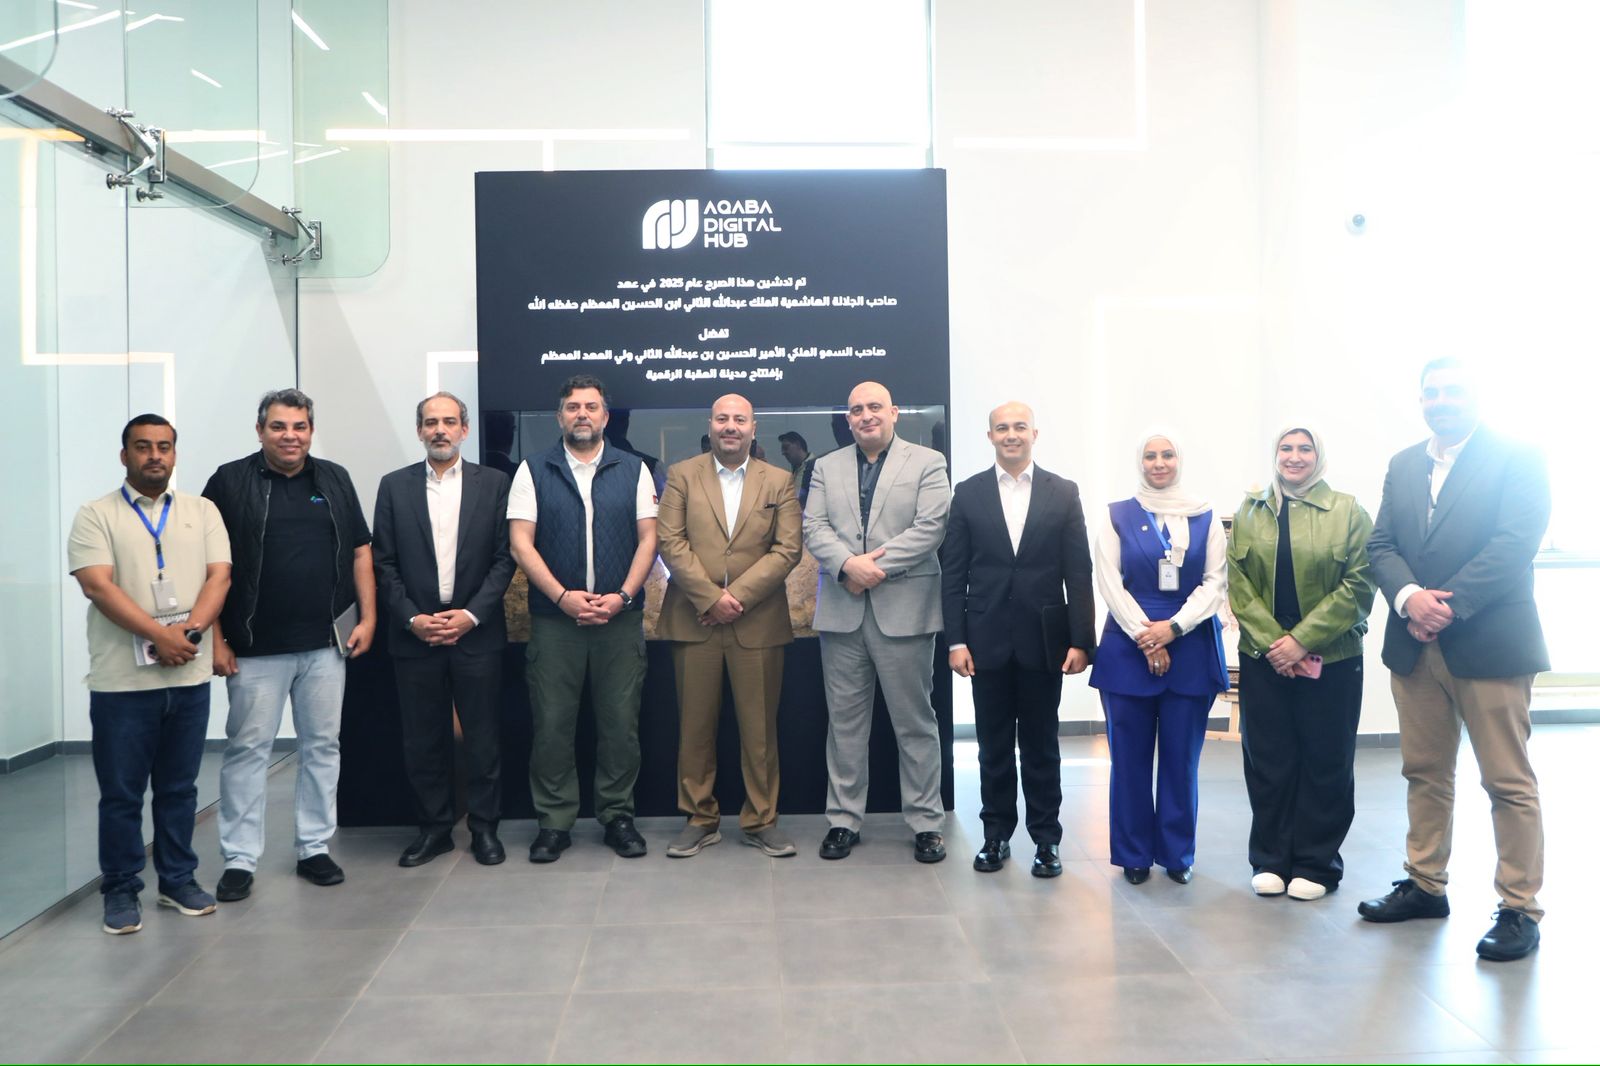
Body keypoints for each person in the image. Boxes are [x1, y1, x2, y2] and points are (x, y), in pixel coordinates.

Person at [1357, 359, 1550, 962]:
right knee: (1424, 771)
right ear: (1421, 400)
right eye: (1431, 392)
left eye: (1453, 391)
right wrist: (1410, 598)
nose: (1441, 401)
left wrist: (1447, 605)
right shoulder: (1403, 464)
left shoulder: (1518, 457)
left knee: (1507, 781)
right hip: (1414, 646)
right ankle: (1425, 883)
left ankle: (1519, 907)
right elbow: (1381, 544)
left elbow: (1515, 542)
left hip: (1490, 644)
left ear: (1476, 396)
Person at [204, 389, 376, 902]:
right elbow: (207, 566)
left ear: (311, 431)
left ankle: (314, 848)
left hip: (325, 645)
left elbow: (361, 552)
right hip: (254, 648)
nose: (290, 436)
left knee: (322, 747)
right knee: (247, 751)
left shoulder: (334, 478)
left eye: (299, 427)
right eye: (279, 427)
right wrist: (215, 639)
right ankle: (239, 858)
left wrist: (368, 617)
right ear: (260, 431)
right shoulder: (229, 481)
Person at [68, 415, 232, 934]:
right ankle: (120, 889)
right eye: (143, 447)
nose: (154, 455)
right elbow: (97, 586)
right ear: (125, 456)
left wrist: (190, 632)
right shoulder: (96, 515)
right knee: (121, 795)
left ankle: (177, 880)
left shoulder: (202, 511)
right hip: (123, 684)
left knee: (179, 790)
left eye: (163, 446)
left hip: (188, 678)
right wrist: (160, 635)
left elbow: (219, 576)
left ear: (174, 454)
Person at [507, 374, 659, 862]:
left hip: (619, 621)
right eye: (573, 407)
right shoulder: (533, 469)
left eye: (591, 407)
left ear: (605, 417)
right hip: (556, 624)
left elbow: (649, 539)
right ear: (560, 417)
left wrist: (623, 596)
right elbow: (520, 543)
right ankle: (554, 823)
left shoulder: (634, 469)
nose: (582, 415)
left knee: (620, 726)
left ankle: (618, 816)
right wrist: (561, 597)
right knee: (552, 725)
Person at [942, 402, 1095, 877]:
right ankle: (995, 836)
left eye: (1020, 427)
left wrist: (1081, 641)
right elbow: (953, 573)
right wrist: (955, 640)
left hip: (1044, 642)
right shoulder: (968, 493)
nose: (1011, 434)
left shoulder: (1063, 492)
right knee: (991, 747)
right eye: (1002, 428)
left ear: (1035, 434)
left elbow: (1079, 572)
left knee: (1042, 746)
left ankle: (1047, 840)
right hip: (984, 641)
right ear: (989, 436)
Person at [803, 381, 951, 862]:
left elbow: (930, 528)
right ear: (847, 419)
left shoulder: (927, 462)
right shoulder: (825, 466)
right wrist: (848, 565)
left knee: (915, 724)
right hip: (842, 612)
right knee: (844, 725)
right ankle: (843, 821)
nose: (865, 415)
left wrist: (871, 569)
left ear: (894, 413)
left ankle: (926, 823)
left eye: (874, 407)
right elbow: (813, 527)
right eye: (855, 410)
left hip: (905, 611)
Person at [1228, 427, 1376, 902]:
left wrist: (1301, 641)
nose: (1294, 457)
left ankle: (1316, 863)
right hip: (1264, 657)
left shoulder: (1349, 512)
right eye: (1286, 448)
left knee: (1326, 760)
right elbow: (1238, 584)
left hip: (1332, 658)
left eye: (1304, 448)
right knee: (1268, 760)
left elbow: (1359, 586)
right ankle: (1270, 860)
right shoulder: (1250, 510)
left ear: (1319, 455)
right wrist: (1277, 644)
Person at [372, 392, 516, 868]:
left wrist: (471, 615)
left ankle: (485, 829)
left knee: (482, 737)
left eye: (449, 421)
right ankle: (434, 830)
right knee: (423, 740)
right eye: (431, 422)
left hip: (476, 631)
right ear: (419, 431)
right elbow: (383, 563)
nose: (440, 430)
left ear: (464, 430)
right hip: (416, 634)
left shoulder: (494, 484)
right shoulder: (393, 486)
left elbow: (504, 559)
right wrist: (413, 619)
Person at [656, 394, 803, 858]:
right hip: (693, 618)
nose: (730, 426)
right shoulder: (682, 475)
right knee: (694, 729)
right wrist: (710, 598)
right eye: (722, 418)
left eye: (740, 419)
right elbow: (670, 541)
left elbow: (788, 549)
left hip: (757, 622)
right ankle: (699, 818)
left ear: (753, 428)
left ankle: (761, 819)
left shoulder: (778, 480)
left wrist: (734, 598)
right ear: (710, 425)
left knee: (759, 731)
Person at [1088, 432, 1228, 885]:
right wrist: (1146, 636)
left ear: (1179, 460)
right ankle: (1133, 854)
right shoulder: (1116, 515)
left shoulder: (1206, 515)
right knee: (1128, 762)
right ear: (1140, 462)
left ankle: (1177, 855)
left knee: (1181, 762)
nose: (1159, 462)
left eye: (1167, 455)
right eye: (1150, 456)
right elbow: (1109, 582)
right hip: (1128, 649)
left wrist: (1174, 628)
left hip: (1190, 647)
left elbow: (1215, 583)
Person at [778, 430, 817, 507]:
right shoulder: (796, 469)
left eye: (786, 447)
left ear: (798, 445)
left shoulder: (816, 468)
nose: (783, 452)